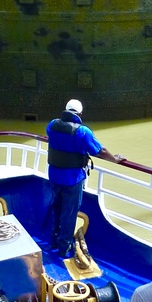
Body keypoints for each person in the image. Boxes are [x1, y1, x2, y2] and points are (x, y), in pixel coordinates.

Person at [46, 98, 124, 258]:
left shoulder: (52, 125)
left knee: (57, 208)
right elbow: (99, 150)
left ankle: (54, 239)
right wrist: (114, 159)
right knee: (69, 213)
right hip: (72, 179)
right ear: (80, 113)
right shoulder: (82, 132)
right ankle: (64, 247)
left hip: (54, 175)